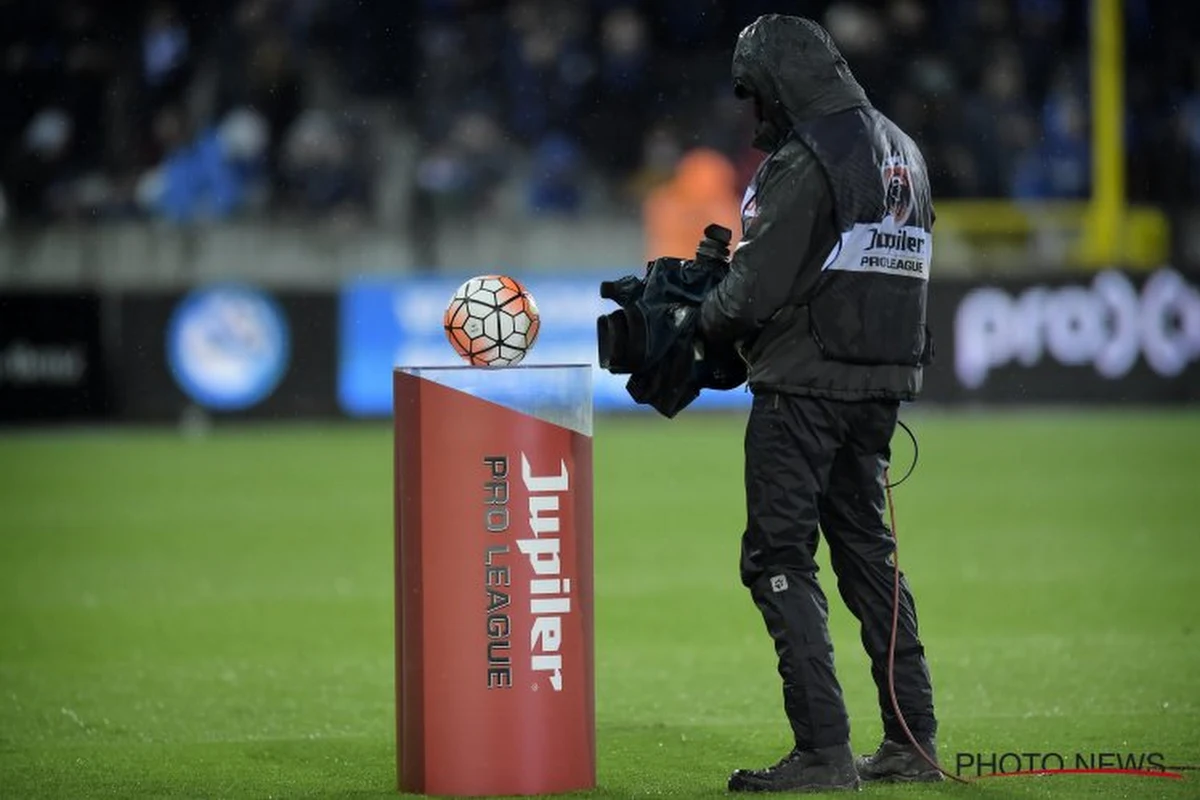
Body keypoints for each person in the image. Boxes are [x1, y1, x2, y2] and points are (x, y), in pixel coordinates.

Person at [696, 15, 940, 793]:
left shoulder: (809, 158)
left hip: (805, 384)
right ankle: (913, 741)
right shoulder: (902, 147)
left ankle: (823, 752)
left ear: (778, 82)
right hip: (881, 383)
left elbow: (752, 292)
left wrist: (696, 317)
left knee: (778, 559)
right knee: (870, 556)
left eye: (754, 92)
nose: (752, 111)